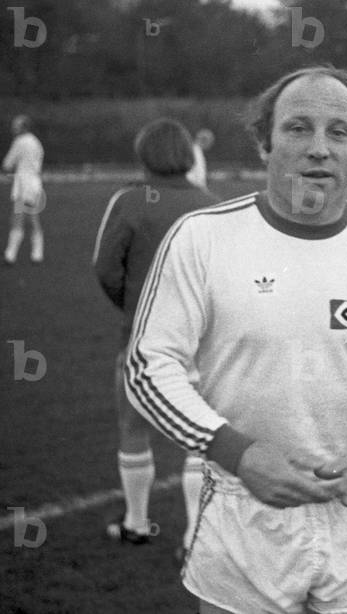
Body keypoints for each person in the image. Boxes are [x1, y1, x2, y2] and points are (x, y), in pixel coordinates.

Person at [124, 66, 347, 614]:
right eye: (298, 128)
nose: (319, 149)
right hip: (243, 511)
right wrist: (234, 452)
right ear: (265, 142)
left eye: (339, 132)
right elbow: (149, 364)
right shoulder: (202, 238)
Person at [93, 118, 220, 551]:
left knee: (133, 427)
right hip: (200, 344)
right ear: (186, 154)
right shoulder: (211, 205)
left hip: (141, 340)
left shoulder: (128, 200)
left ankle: (136, 523)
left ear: (143, 152)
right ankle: (193, 534)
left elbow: (106, 269)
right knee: (200, 438)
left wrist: (134, 306)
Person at [3, 115, 45, 265]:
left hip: (23, 184)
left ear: (23, 127)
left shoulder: (20, 142)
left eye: (16, 125)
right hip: (35, 183)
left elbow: (8, 163)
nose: (13, 128)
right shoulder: (36, 142)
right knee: (33, 218)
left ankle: (11, 254)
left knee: (17, 218)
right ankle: (37, 253)